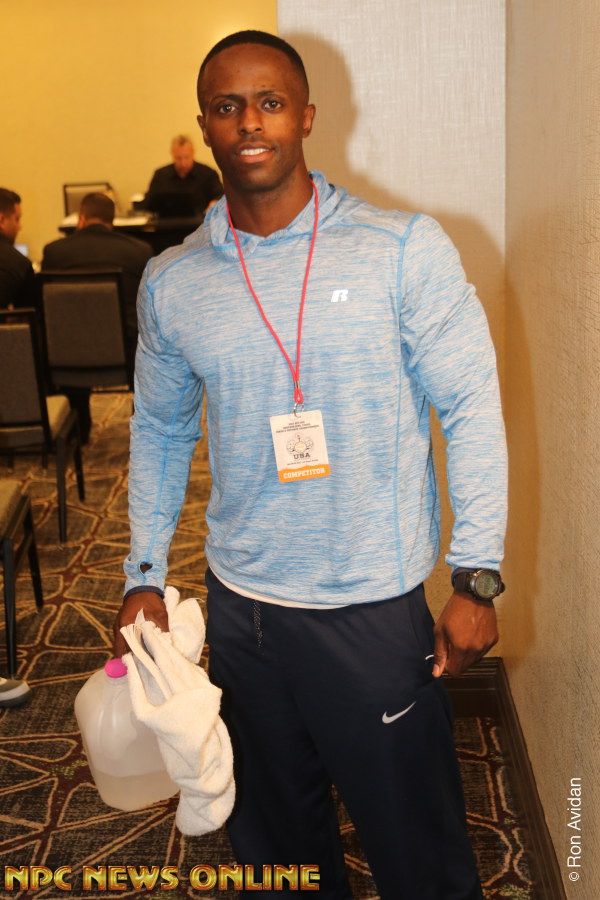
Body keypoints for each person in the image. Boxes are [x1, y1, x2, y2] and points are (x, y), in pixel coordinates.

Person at [113, 30, 507, 900]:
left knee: (418, 854)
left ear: (307, 116)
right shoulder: (175, 282)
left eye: (270, 102)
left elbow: (472, 407)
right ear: (205, 127)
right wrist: (142, 571)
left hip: (370, 611)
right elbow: (162, 431)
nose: (250, 122)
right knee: (277, 851)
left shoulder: (401, 248)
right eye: (228, 106)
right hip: (243, 612)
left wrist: (476, 576)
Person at [42, 192, 151, 442]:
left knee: (71, 329)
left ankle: (78, 428)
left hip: (67, 357)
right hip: (127, 356)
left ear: (81, 218)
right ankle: (144, 428)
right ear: (112, 221)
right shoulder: (138, 251)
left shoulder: (55, 252)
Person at [142, 134, 223, 215]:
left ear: (193, 153)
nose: (183, 163)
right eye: (178, 158)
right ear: (172, 154)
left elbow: (221, 197)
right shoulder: (161, 175)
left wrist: (214, 204)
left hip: (200, 221)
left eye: (186, 157)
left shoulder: (208, 174)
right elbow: (148, 203)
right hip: (167, 221)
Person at [0, 188, 36, 310]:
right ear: (1, 220)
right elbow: (27, 316)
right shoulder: (18, 263)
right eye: (17, 219)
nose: (19, 227)